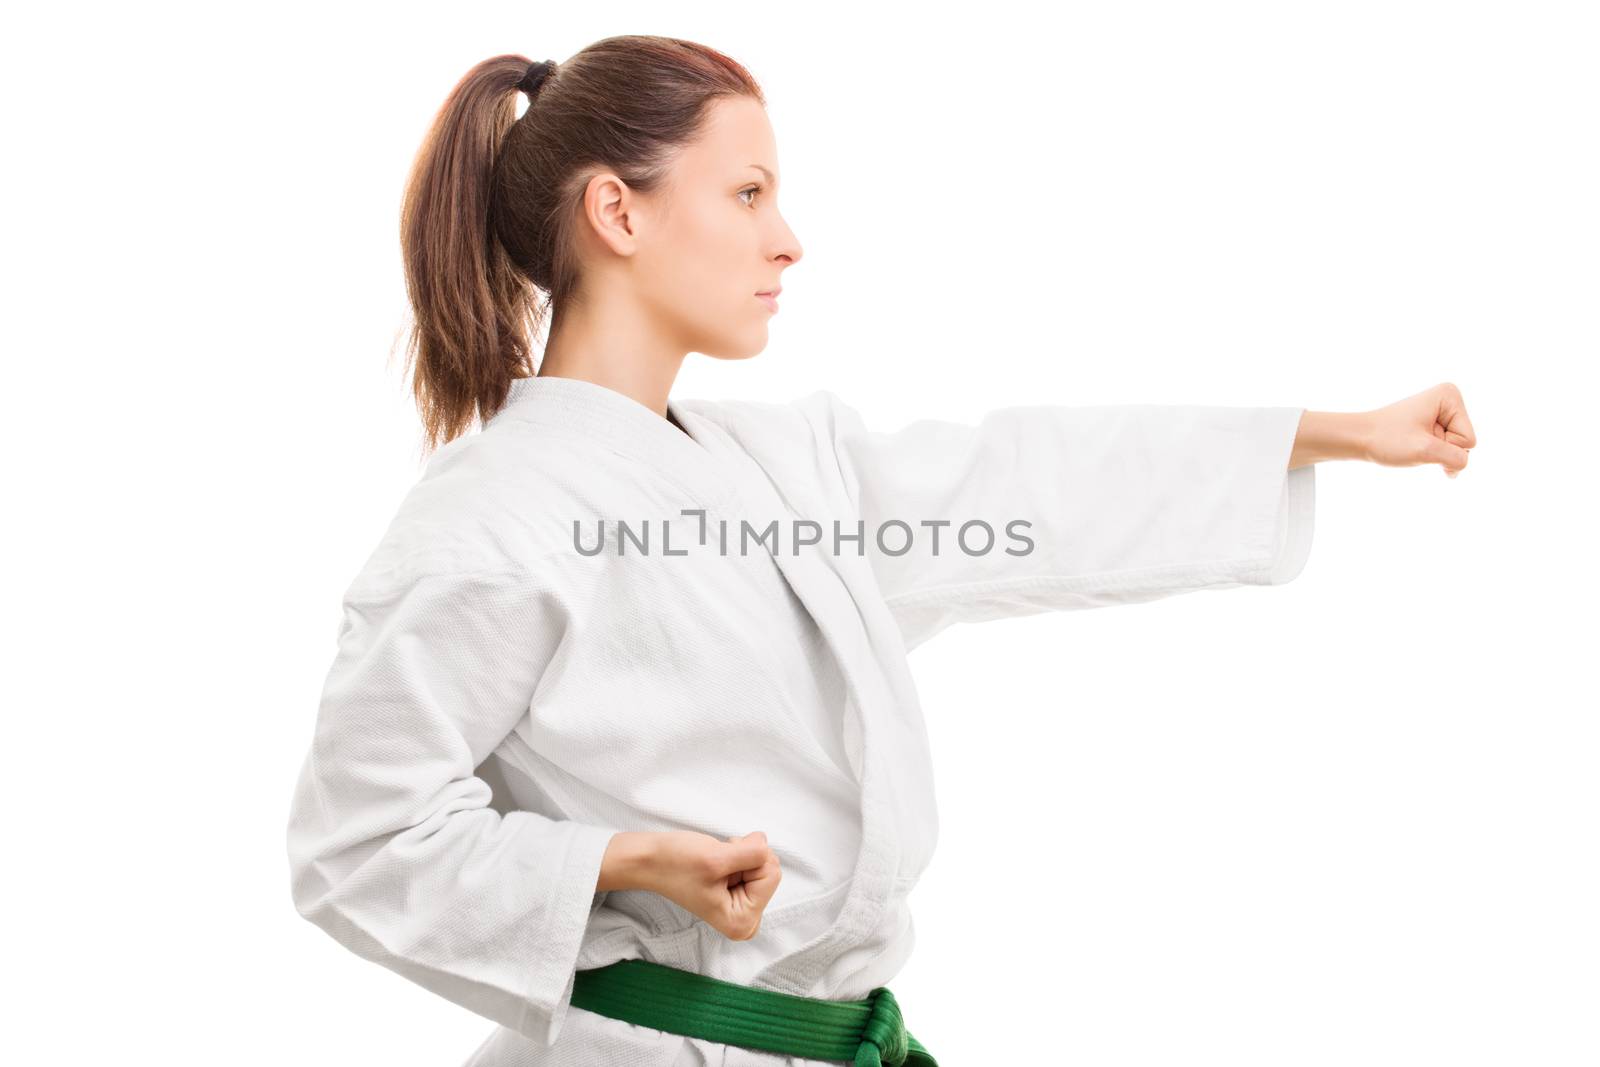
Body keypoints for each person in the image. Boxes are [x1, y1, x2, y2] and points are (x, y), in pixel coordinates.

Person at [284, 34, 1478, 1067]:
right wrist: (613, 860)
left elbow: (1024, 484)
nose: (789, 238)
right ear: (617, 212)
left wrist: (1331, 434)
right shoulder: (491, 518)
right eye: (748, 193)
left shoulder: (788, 468)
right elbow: (359, 840)